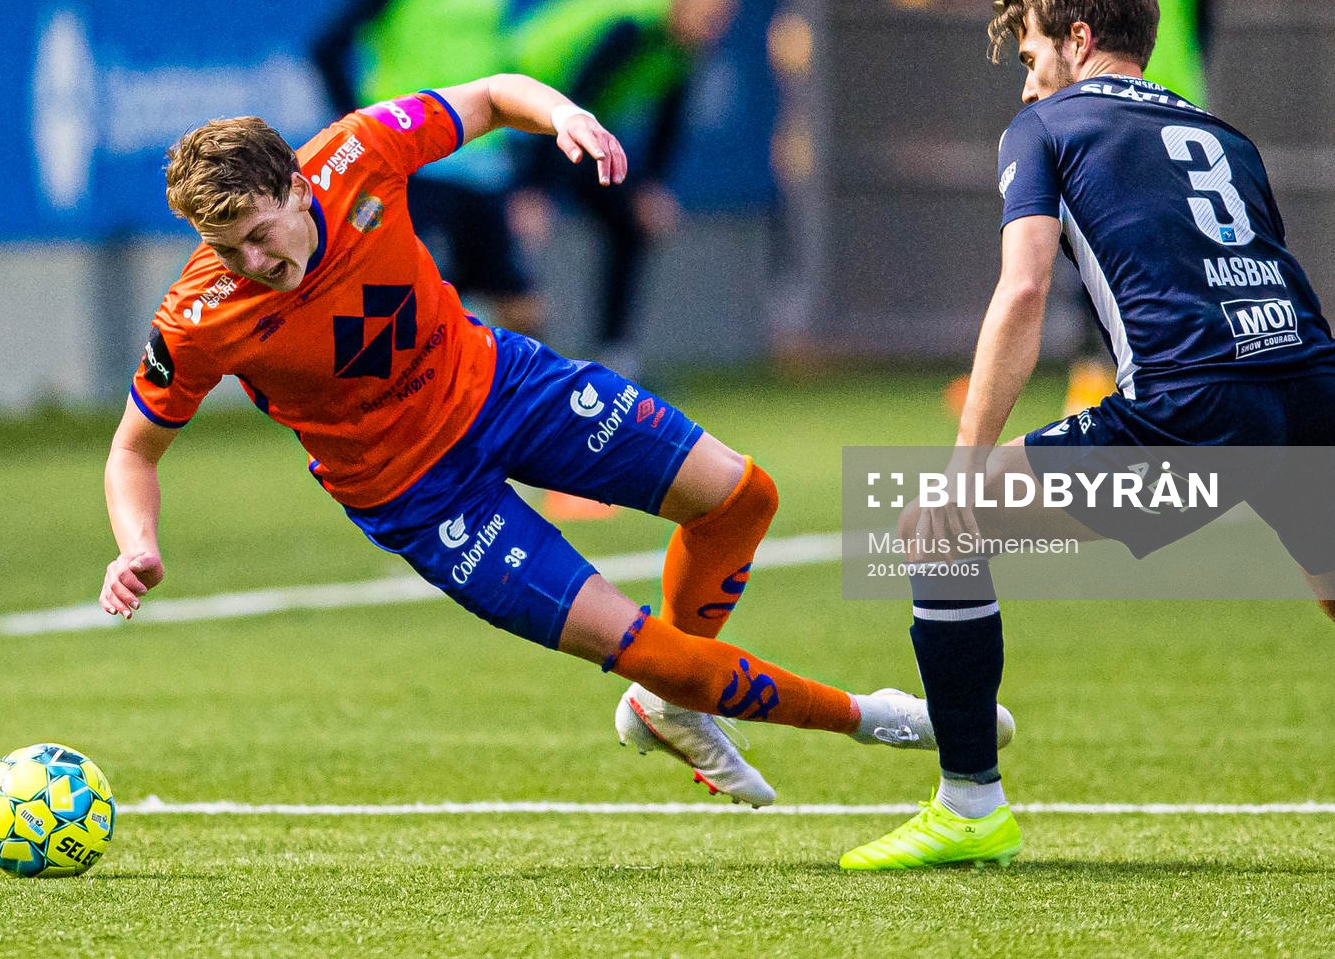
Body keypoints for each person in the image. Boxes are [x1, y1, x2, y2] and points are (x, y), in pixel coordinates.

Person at [839, 0, 1335, 870]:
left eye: (1030, 54)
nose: (1026, 78)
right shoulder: (1223, 131)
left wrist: (965, 463)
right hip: (1307, 386)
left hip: (1194, 405)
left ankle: (971, 804)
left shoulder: (1044, 126)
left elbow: (1021, 292)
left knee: (934, 531)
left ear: (1079, 41)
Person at [100, 73, 975, 807]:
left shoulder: (356, 153)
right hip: (423, 499)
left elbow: (486, 97)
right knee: (661, 653)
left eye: (258, 235)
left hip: (503, 387)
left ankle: (670, 702)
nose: (251, 262)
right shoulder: (197, 321)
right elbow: (134, 452)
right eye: (225, 247)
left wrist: (561, 115)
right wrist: (136, 545)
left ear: (296, 186)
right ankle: (871, 716)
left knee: (745, 497)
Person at [309, 0, 540, 333]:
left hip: (483, 161)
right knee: (425, 316)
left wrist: (524, 170)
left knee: (524, 310)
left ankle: (528, 413)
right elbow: (326, 45)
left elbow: (503, 61)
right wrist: (362, 139)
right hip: (418, 164)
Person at [1048, 0, 1217, 416]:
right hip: (1095, 121)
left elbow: (1200, 29)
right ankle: (1093, 379)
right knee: (1090, 253)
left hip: (1173, 126)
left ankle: (1177, 384)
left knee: (1177, 260)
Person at [508, 0, 739, 374]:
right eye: (708, 14)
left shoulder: (681, 45)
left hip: (567, 121)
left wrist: (651, 186)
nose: (715, 27)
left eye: (721, 18)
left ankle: (615, 360)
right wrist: (535, 189)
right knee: (512, 238)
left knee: (630, 223)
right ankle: (508, 370)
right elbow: (577, 92)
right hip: (517, 108)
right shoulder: (637, 22)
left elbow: (669, 118)